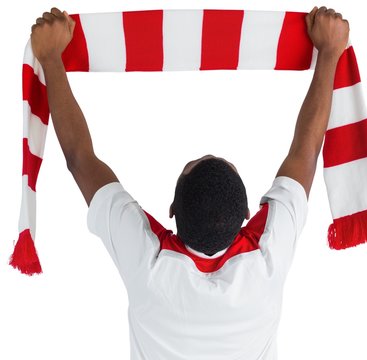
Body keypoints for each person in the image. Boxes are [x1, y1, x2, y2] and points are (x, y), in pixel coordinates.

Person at [30, 6, 349, 359]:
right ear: (248, 214)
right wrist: (331, 52)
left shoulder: (150, 263)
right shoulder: (264, 261)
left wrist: (49, 56)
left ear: (169, 212)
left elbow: (80, 159)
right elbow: (305, 153)